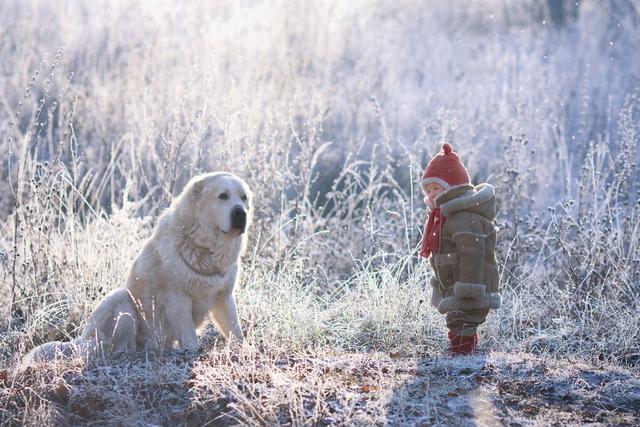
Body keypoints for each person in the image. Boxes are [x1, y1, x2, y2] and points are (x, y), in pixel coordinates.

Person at [420, 143, 501, 355]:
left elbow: (472, 255)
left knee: (462, 320)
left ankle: (463, 355)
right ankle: (465, 350)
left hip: (470, 285)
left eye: (436, 189)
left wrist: (468, 287)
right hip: (457, 284)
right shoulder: (447, 217)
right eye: (427, 190)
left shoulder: (464, 218)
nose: (430, 195)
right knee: (460, 321)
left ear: (453, 187)